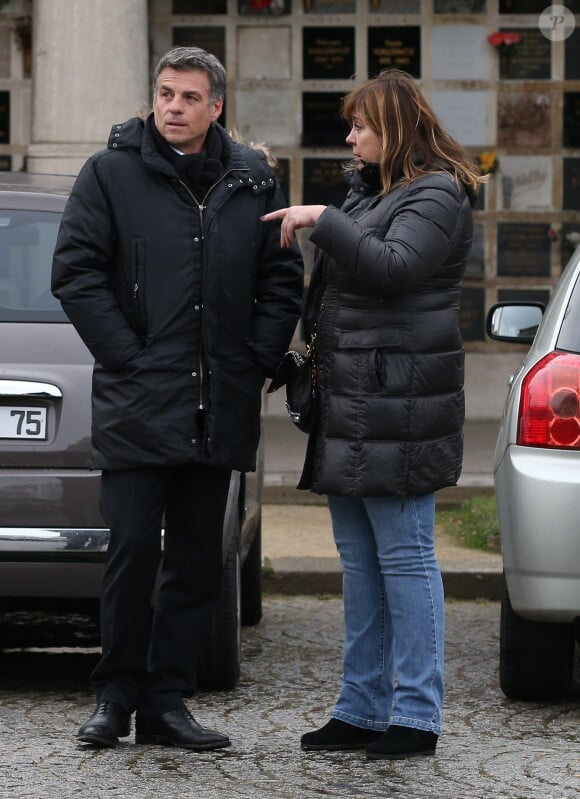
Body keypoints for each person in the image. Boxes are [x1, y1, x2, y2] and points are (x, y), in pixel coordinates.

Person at [51, 46, 303, 750]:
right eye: (165, 93)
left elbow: (282, 279)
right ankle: (114, 695)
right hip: (138, 401)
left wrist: (253, 359)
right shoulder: (110, 174)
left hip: (217, 403)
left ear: (215, 106)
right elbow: (75, 272)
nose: (173, 107)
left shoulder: (252, 180)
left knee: (197, 561)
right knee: (131, 551)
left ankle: (166, 702)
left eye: (190, 97)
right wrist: (128, 356)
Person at [262, 69, 484, 760]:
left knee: (406, 558)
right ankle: (361, 704)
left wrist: (322, 222)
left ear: (397, 129)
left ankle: (417, 713)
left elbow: (392, 267)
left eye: (361, 125)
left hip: (400, 405)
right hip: (354, 402)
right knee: (360, 563)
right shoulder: (373, 193)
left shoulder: (438, 194)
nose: (350, 137)